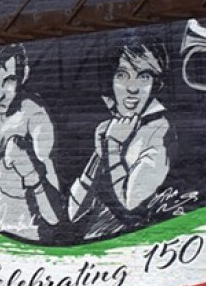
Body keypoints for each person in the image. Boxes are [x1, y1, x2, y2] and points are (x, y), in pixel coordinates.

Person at [68, 45, 175, 239]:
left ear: (155, 84)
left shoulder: (159, 130)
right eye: (122, 75)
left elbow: (130, 202)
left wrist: (113, 146)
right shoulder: (115, 128)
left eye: (144, 77)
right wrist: (100, 156)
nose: (132, 88)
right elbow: (74, 211)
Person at [0, 43, 62, 241]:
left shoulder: (35, 117)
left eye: (8, 81)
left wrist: (31, 172)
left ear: (23, 75)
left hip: (29, 227)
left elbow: (54, 216)